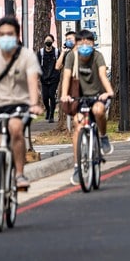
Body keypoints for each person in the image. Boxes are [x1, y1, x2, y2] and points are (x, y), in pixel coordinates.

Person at [0, 16, 41, 201]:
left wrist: (34, 104)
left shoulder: (27, 56)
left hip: (20, 105)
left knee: (16, 129)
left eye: (10, 34)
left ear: (17, 35)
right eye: (2, 34)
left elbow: (32, 82)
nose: (6, 37)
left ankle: (19, 174)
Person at [60, 29, 116, 185]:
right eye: (81, 43)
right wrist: (65, 94)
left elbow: (103, 75)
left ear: (93, 43)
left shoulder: (97, 56)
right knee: (78, 127)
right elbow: (66, 77)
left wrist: (109, 92)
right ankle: (78, 166)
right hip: (79, 98)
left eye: (88, 42)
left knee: (98, 111)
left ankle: (103, 137)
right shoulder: (71, 56)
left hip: (98, 95)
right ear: (76, 44)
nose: (85, 46)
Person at [38, 34, 60, 123]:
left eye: (50, 40)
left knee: (52, 96)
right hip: (44, 78)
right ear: (44, 42)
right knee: (45, 97)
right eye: (47, 40)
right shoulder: (41, 52)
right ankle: (48, 109)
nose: (48, 42)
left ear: (53, 41)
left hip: (54, 78)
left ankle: (51, 115)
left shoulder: (56, 52)